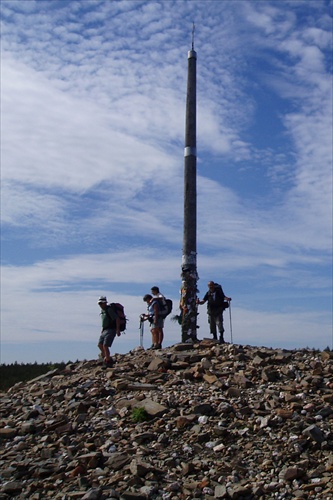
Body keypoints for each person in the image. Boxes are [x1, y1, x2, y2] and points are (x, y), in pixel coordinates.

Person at [97, 296, 121, 367]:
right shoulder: (103, 311)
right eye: (99, 304)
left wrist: (118, 329)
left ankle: (108, 361)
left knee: (105, 345)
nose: (100, 305)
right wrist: (102, 329)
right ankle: (107, 358)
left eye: (101, 303)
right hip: (105, 329)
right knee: (100, 345)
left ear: (105, 303)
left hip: (111, 329)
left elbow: (117, 319)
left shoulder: (109, 309)